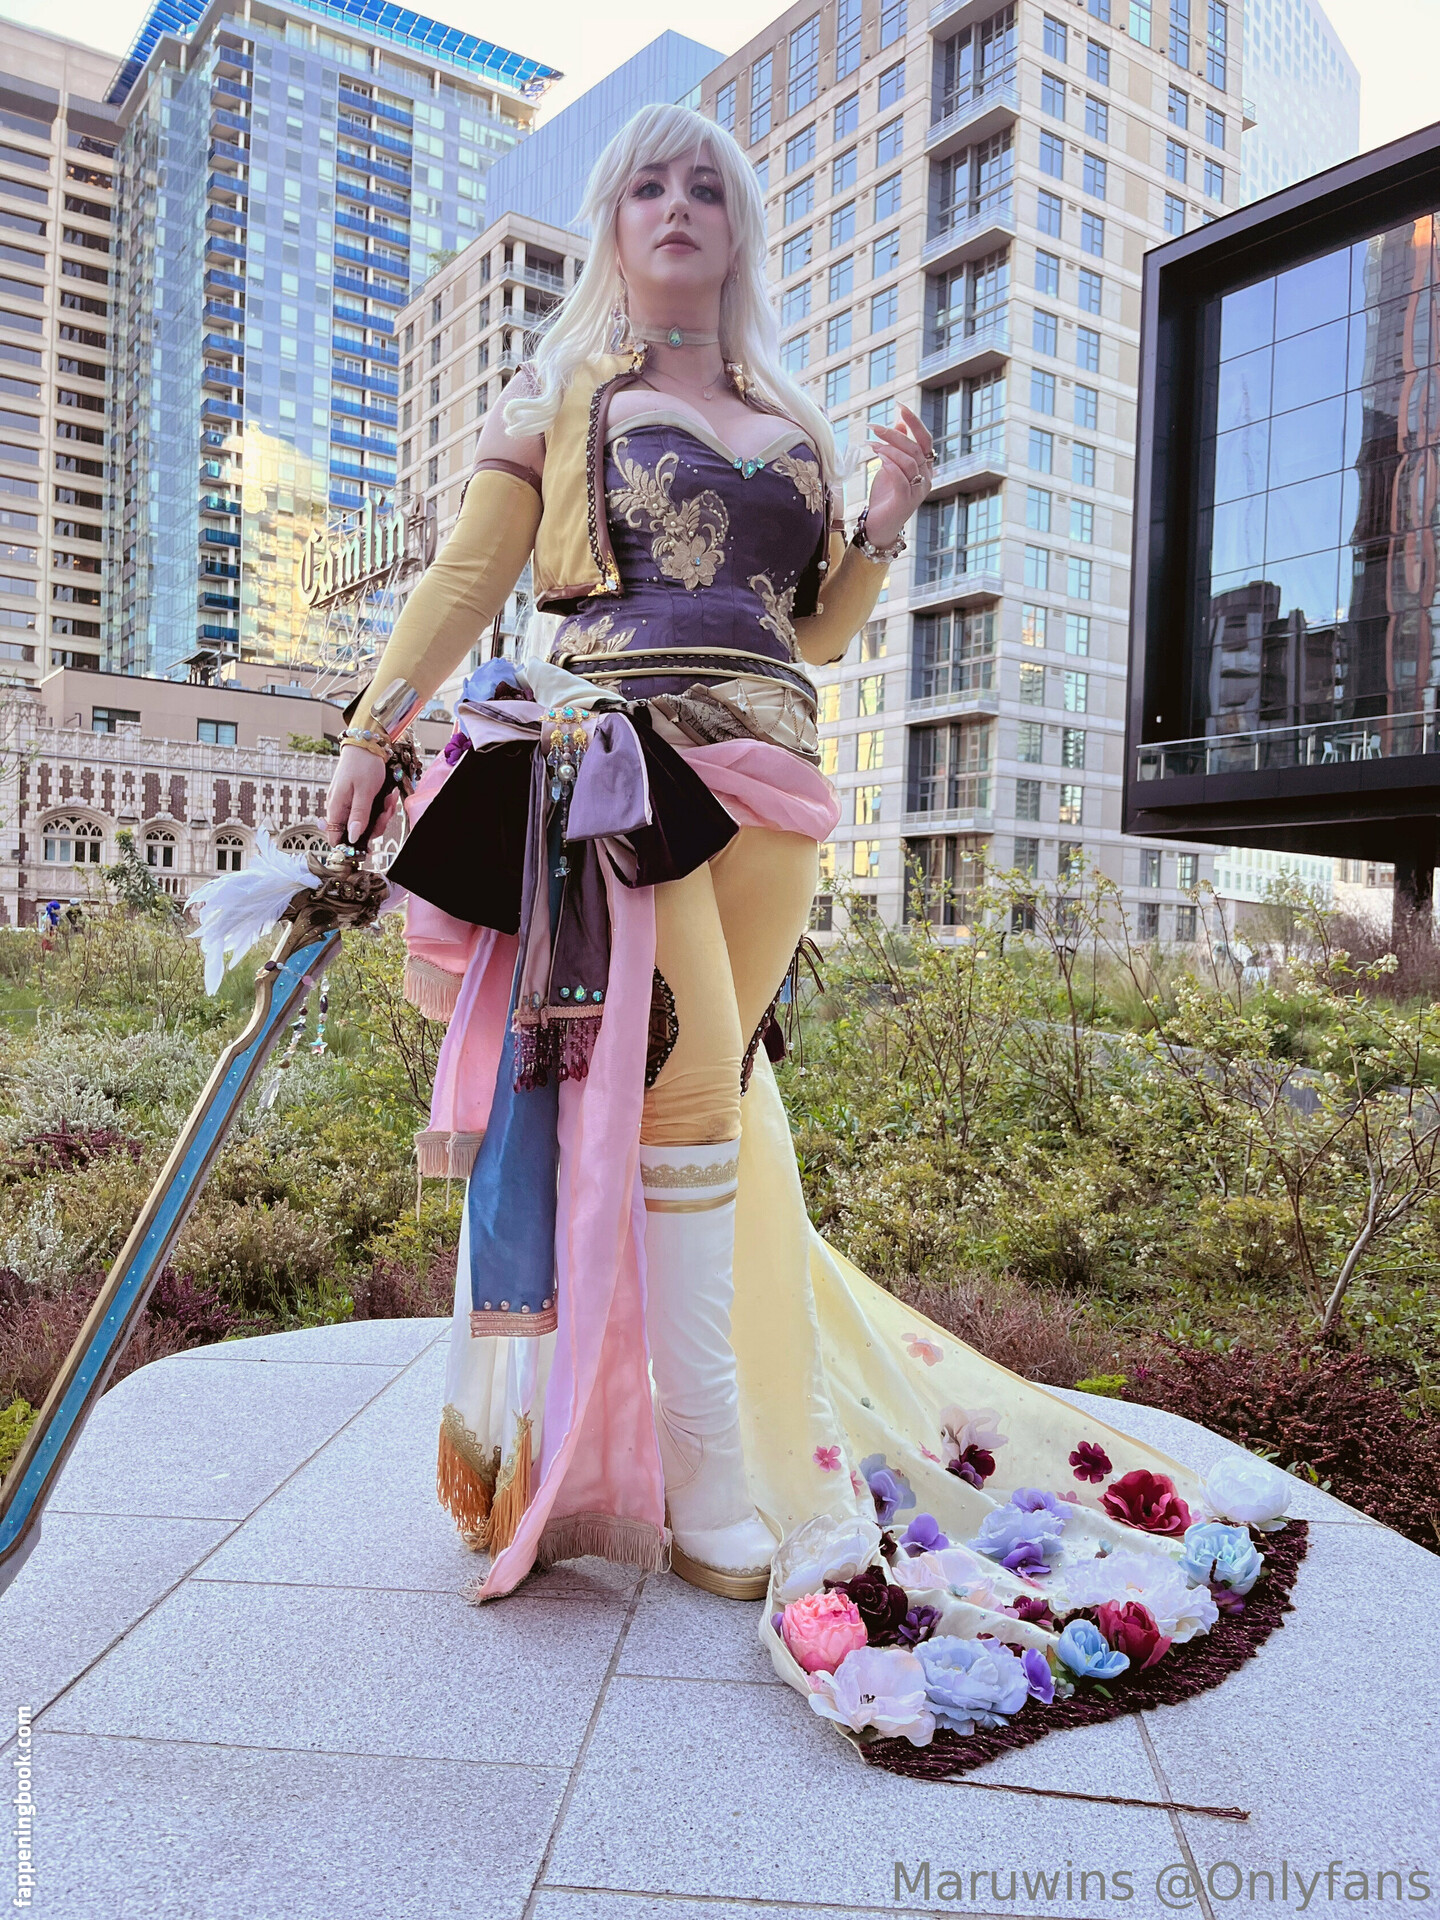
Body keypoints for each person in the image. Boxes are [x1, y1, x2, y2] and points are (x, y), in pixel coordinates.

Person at [325, 105, 1301, 1770]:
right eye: (650, 183)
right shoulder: (558, 397)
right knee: (694, 1097)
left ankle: (663, 1447)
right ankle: (712, 1492)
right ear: (614, 222)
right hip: (626, 772)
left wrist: (891, 517)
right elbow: (476, 570)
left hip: (778, 792)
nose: (679, 203)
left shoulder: (791, 417)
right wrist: (373, 725)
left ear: (740, 225)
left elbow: (820, 631)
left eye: (707, 182)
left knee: (697, 1116)